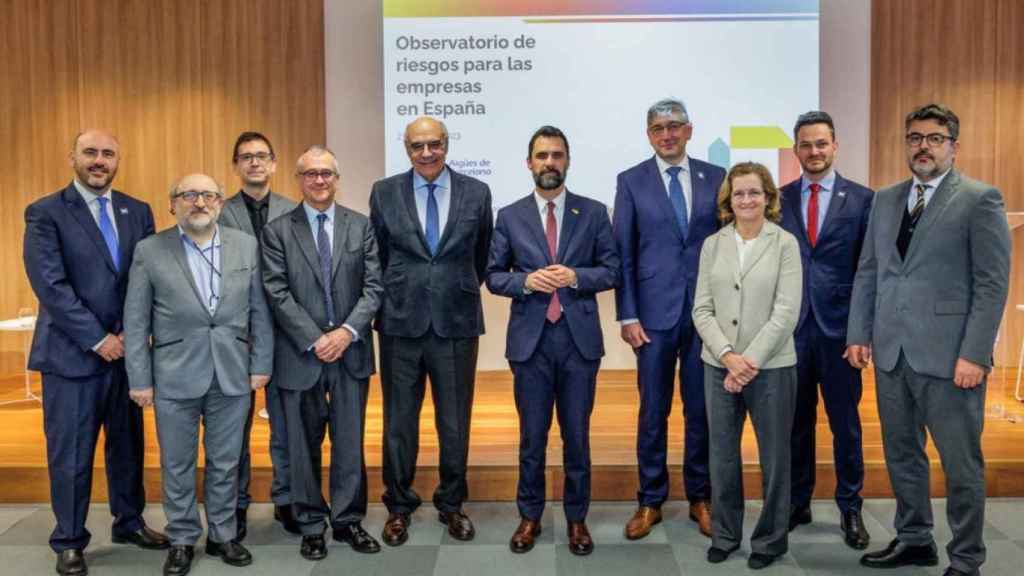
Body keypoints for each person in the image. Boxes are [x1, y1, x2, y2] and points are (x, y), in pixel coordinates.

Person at [848, 104, 1010, 576]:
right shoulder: (885, 199)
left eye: (935, 138)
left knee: (961, 466)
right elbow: (869, 271)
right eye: (915, 137)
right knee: (902, 454)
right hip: (892, 352)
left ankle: (966, 558)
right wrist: (859, 332)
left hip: (951, 357)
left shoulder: (981, 200)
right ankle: (915, 539)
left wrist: (975, 354)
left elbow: (992, 284)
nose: (923, 146)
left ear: (954, 147)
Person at [23, 129, 167, 576]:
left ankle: (129, 521)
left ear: (118, 160)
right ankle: (69, 538)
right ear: (73, 158)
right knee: (72, 453)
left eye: (107, 153)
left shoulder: (137, 211)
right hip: (72, 357)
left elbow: (144, 278)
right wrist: (99, 338)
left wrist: (128, 333)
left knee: (127, 446)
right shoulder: (46, 212)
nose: (99, 160)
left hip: (127, 354)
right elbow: (50, 285)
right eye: (91, 152)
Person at [124, 173, 274, 575]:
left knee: (226, 462)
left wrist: (261, 364)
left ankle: (224, 534)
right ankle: (183, 537)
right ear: (173, 203)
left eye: (208, 195)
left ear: (221, 204)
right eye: (189, 195)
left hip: (233, 373)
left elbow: (260, 310)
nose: (199, 202)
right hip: (173, 376)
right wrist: (139, 378)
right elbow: (136, 320)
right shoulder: (150, 250)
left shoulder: (246, 246)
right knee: (177, 463)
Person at [486, 126, 620, 556]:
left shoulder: (594, 212)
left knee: (577, 436)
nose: (549, 163)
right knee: (532, 436)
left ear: (567, 161)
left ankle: (577, 519)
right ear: (529, 163)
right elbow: (493, 276)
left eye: (557, 155)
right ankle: (530, 516)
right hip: (531, 344)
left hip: (579, 342)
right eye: (541, 155)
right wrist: (527, 281)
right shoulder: (509, 215)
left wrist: (576, 277)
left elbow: (612, 270)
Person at [369, 116, 493, 545]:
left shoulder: (477, 192)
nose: (427, 153)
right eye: (417, 145)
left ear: (446, 144)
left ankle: (451, 504)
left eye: (434, 144)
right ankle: (398, 506)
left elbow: (481, 255)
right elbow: (380, 256)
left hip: (456, 323)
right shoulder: (384, 192)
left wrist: (450, 289)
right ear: (407, 148)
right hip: (400, 324)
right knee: (399, 422)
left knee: (454, 422)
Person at [261, 146, 383, 560]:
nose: (319, 180)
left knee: (350, 443)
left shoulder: (360, 226)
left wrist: (346, 332)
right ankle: (311, 523)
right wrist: (317, 338)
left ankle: (348, 521)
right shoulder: (278, 230)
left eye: (326, 173)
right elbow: (276, 292)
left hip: (350, 353)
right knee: (302, 445)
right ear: (298, 179)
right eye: (310, 173)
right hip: (300, 356)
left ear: (336, 178)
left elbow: (374, 288)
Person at [614, 99, 725, 539]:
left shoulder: (716, 178)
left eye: (675, 126)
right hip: (653, 317)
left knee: (701, 410)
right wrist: (627, 313)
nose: (668, 134)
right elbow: (624, 252)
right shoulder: (630, 181)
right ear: (649, 135)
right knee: (653, 411)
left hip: (705, 315)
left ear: (690, 130)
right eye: (659, 128)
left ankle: (701, 496)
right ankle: (650, 500)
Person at [692, 162, 802, 570]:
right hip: (718, 365)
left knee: (775, 458)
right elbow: (701, 309)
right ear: (728, 200)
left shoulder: (784, 244)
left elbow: (787, 310)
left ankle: (770, 541)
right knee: (722, 456)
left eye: (754, 192)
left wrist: (749, 361)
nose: (746, 200)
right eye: (738, 194)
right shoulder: (713, 244)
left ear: (769, 197)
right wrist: (727, 356)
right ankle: (725, 534)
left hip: (771, 367)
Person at [778, 111, 872, 549]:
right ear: (795, 150)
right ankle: (798, 503)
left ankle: (850, 507)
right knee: (795, 424)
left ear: (835, 146)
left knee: (845, 426)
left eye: (821, 144)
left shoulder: (863, 200)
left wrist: (862, 332)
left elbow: (869, 271)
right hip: (792, 331)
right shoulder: (779, 200)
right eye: (805, 145)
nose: (813, 152)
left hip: (840, 335)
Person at [218, 131, 299, 538]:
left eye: (262, 156)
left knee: (284, 424)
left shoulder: (294, 209)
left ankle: (286, 498)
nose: (254, 163)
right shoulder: (217, 211)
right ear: (236, 165)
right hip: (235, 335)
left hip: (286, 334)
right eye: (246, 157)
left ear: (274, 163)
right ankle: (236, 504)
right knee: (234, 426)